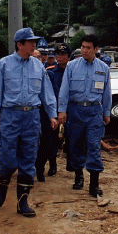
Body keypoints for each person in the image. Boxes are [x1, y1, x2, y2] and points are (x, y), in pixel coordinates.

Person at [0, 28, 58, 217]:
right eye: (30, 41)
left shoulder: (38, 66)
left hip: (32, 117)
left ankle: (22, 202)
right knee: (7, 157)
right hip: (10, 116)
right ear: (20, 44)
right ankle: (3, 184)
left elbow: (46, 92)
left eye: (34, 41)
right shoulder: (4, 65)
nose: (34, 44)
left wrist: (52, 114)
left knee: (29, 158)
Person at [58, 34, 112, 197]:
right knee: (76, 145)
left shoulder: (103, 68)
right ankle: (78, 176)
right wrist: (62, 110)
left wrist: (107, 112)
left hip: (95, 112)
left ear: (96, 49)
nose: (84, 50)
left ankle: (94, 184)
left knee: (94, 146)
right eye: (82, 47)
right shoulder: (72, 66)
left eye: (88, 48)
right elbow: (64, 89)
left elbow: (107, 93)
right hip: (76, 111)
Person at [35, 44, 72, 182]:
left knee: (69, 138)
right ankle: (49, 165)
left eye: (63, 54)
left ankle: (69, 164)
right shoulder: (49, 71)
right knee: (48, 140)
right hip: (51, 111)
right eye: (58, 54)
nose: (60, 57)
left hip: (69, 111)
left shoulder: (72, 71)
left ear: (69, 57)